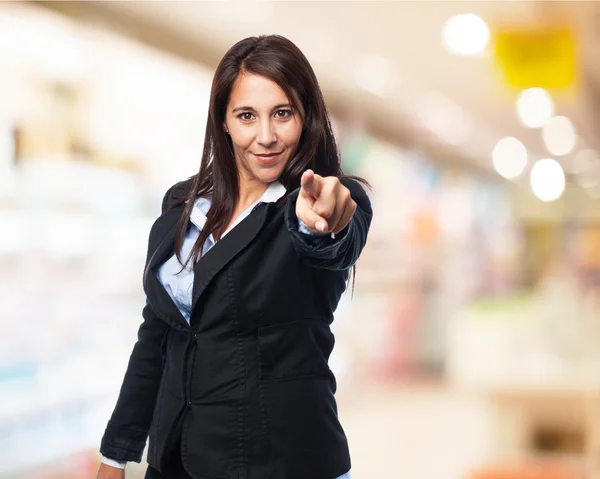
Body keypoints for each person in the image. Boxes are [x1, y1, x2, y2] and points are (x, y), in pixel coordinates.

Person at [96, 34, 372, 479]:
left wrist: (322, 224)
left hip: (281, 463)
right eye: (246, 116)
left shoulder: (321, 200)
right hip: (176, 459)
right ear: (223, 121)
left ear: (307, 116)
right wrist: (116, 454)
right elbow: (156, 339)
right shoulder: (184, 205)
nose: (265, 137)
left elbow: (333, 240)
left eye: (282, 113)